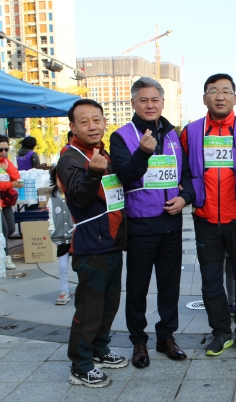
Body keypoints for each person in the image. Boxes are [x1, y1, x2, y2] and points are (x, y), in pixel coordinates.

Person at [110, 77, 193, 369]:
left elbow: (186, 176)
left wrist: (185, 198)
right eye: (143, 100)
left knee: (170, 286)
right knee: (137, 288)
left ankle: (166, 337)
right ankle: (139, 341)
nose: (149, 105)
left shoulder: (172, 135)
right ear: (133, 103)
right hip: (140, 225)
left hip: (171, 223)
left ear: (162, 102)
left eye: (155, 100)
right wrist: (143, 152)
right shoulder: (121, 136)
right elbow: (124, 175)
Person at [180, 73, 236, 357]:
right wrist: (191, 196)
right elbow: (183, 171)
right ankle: (221, 333)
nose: (220, 96)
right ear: (204, 98)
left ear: (235, 98)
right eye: (213, 91)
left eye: (226, 91)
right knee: (211, 281)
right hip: (205, 219)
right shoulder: (191, 131)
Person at [57, 99, 128, 388]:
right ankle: (81, 364)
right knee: (90, 308)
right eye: (84, 121)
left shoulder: (102, 152)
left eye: (96, 120)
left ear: (104, 122)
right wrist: (94, 172)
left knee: (109, 304)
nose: (92, 126)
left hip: (112, 242)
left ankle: (99, 349)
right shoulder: (69, 158)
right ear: (73, 127)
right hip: (91, 246)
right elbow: (79, 197)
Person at [49, 167, 74, 304]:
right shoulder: (53, 198)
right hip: (61, 239)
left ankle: (84, 290)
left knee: (80, 266)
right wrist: (52, 232)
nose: (61, 182)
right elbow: (50, 216)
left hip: (76, 238)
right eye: (58, 178)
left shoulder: (75, 194)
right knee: (63, 267)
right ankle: (64, 291)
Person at [0, 135, 23, 269]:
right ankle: (6, 257)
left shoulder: (7, 162)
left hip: (5, 201)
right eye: (0, 149)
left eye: (6, 149)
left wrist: (6, 168)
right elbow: (11, 183)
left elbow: (17, 177)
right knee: (4, 229)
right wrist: (10, 184)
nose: (3, 152)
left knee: (11, 228)